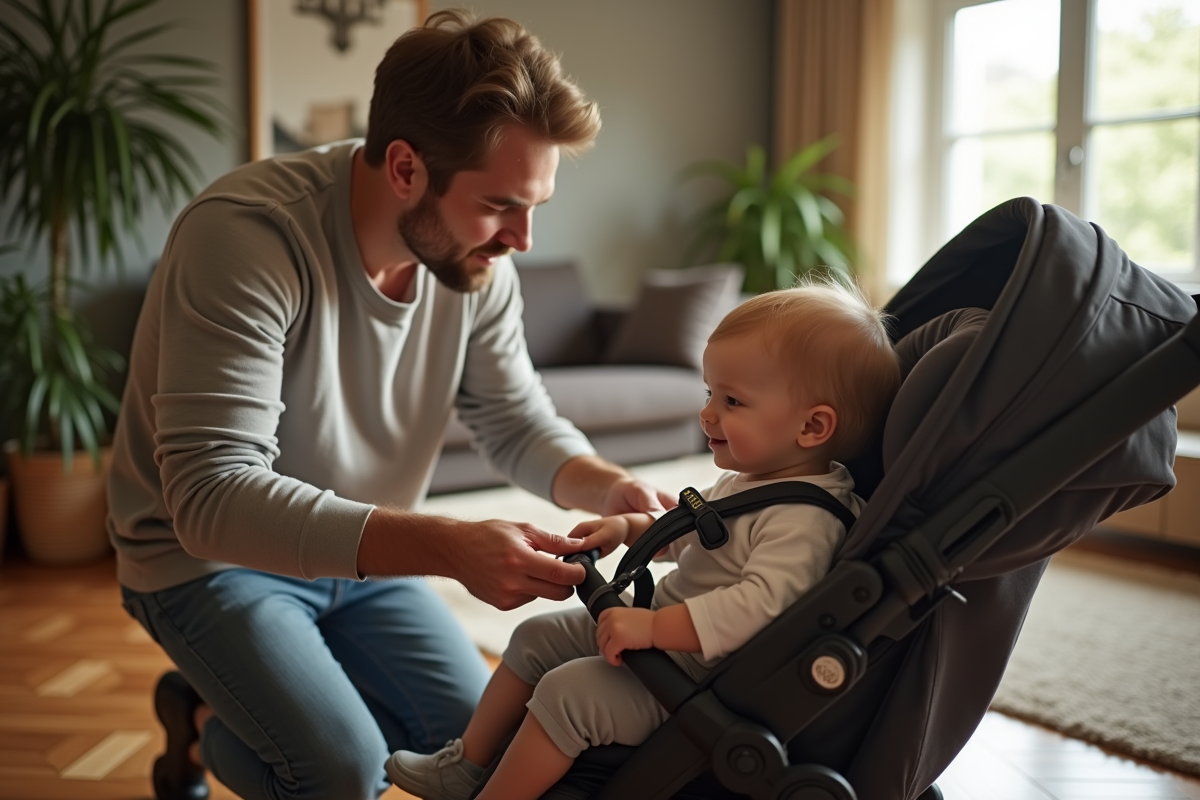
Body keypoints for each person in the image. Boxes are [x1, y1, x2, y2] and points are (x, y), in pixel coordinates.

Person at [108, 10, 675, 800]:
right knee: (343, 773)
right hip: (207, 562)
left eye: (535, 206)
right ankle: (205, 725)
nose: (523, 239)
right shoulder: (246, 238)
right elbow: (209, 498)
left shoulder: (477, 265)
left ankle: (255, 704)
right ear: (406, 167)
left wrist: (604, 483)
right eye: (502, 204)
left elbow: (511, 418)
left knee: (489, 756)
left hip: (369, 558)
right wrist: (448, 547)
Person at [384, 280, 903, 800]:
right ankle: (467, 765)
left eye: (733, 400)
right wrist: (629, 529)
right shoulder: (758, 479)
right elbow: (698, 533)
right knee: (537, 637)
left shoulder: (805, 521)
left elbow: (763, 606)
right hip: (668, 647)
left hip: (701, 679)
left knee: (567, 695)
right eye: (709, 393)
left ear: (812, 426)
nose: (708, 413)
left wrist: (655, 626)